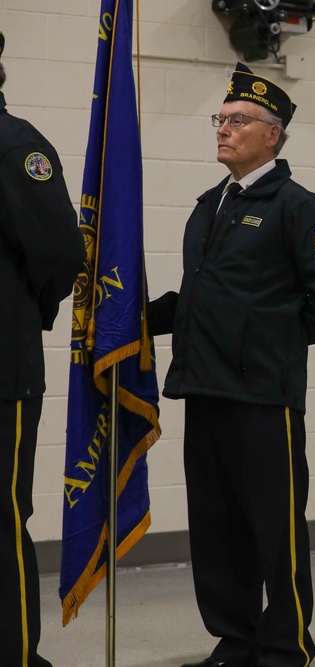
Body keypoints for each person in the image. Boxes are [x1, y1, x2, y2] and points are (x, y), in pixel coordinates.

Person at [147, 63, 315, 667]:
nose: (224, 129)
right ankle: (236, 638)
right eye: (221, 119)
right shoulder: (209, 206)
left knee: (275, 532)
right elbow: (205, 297)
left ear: (273, 134)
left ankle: (287, 644)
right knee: (217, 531)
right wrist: (135, 319)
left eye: (238, 120)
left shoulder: (295, 205)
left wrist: (276, 342)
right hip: (206, 387)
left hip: (264, 396)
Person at [0, 31, 86, 667]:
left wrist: (27, 313)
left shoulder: (16, 146)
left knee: (0, 526)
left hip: (2, 372)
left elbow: (59, 253)